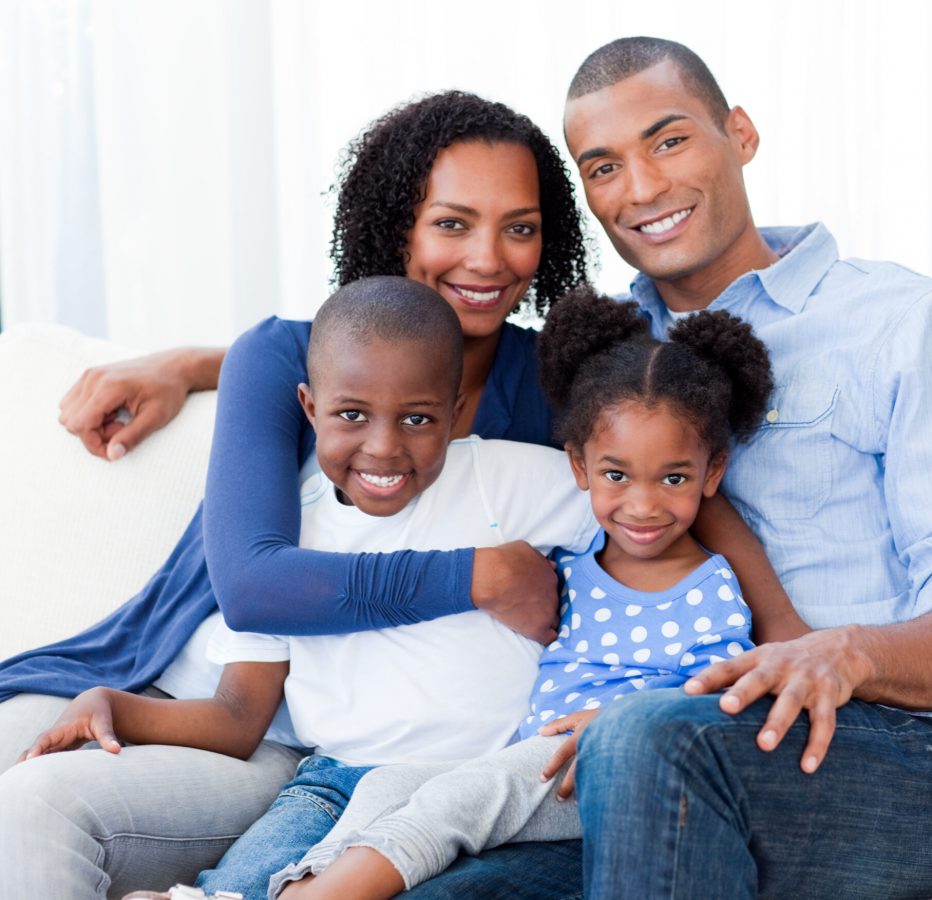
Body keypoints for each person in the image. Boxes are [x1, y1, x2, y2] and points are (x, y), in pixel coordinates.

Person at [0, 86, 791, 898]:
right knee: (16, 775)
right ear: (396, 225)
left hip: (329, 747)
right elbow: (253, 583)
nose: (488, 258)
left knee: (38, 806)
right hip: (185, 682)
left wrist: (790, 635)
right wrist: (477, 574)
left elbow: (668, 473)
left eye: (519, 229)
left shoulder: (552, 388)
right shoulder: (288, 360)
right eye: (452, 223)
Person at [18, 276, 603, 900]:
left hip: (473, 778)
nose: (384, 447)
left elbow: (639, 513)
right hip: (328, 786)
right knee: (238, 886)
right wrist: (118, 705)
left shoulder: (504, 479)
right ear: (307, 407)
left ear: (456, 411)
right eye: (351, 415)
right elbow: (240, 716)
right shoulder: (286, 543)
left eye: (417, 418)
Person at [262, 288, 778, 900]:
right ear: (580, 469)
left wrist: (620, 725)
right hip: (534, 758)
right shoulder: (574, 563)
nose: (643, 504)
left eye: (673, 478)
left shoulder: (710, 587)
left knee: (462, 797)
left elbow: (720, 697)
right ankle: (300, 882)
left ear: (710, 475)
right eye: (617, 476)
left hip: (606, 770)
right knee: (388, 785)